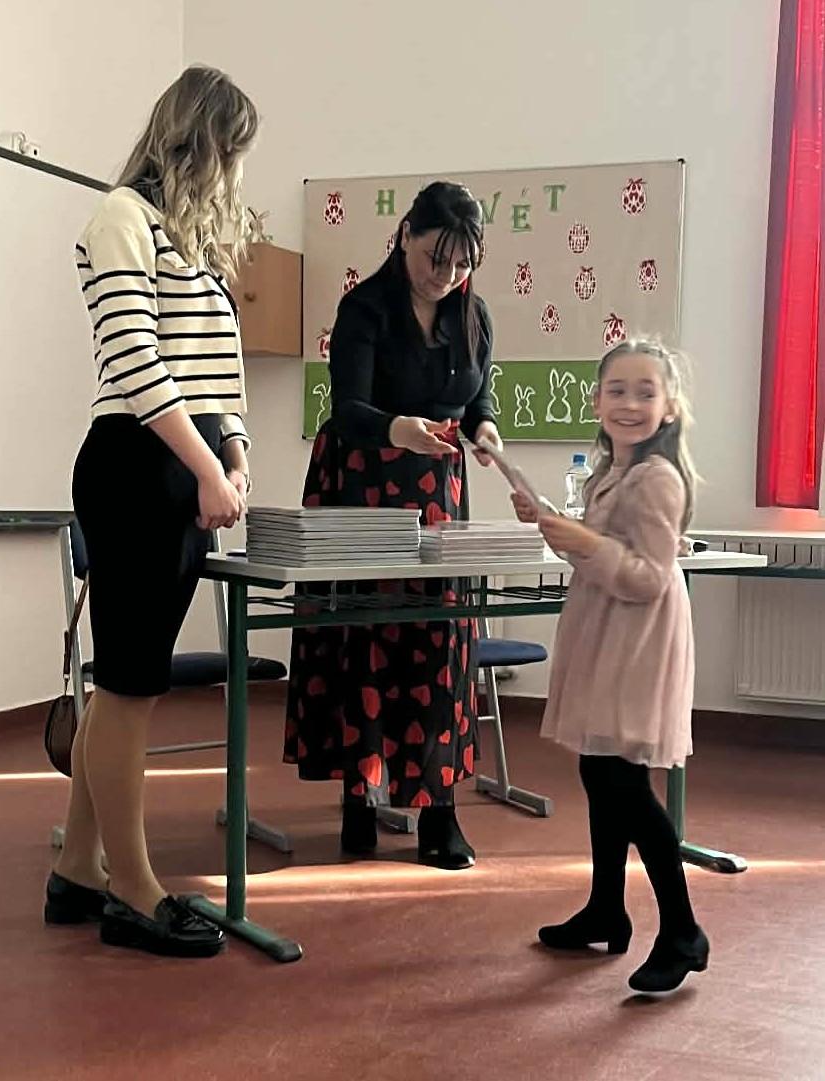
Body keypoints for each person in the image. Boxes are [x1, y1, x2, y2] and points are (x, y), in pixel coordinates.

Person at [44, 66, 259, 958]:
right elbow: (135, 360)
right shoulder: (121, 218)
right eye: (230, 150)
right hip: (135, 466)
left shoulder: (193, 244)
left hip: (182, 469)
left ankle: (78, 868)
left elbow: (220, 374)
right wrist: (206, 466)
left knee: (126, 683)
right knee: (132, 688)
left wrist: (234, 456)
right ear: (196, 140)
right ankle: (133, 889)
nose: (235, 171)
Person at [284, 181, 502, 869]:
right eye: (436, 257)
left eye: (462, 263)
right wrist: (398, 429)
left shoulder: (473, 313)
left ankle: (440, 809)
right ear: (405, 233)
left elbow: (478, 397)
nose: (447, 274)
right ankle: (360, 794)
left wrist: (485, 428)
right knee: (364, 640)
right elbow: (347, 408)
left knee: (443, 641)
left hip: (437, 491)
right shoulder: (365, 307)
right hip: (363, 485)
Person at [512, 338, 708, 993]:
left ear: (669, 406)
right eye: (616, 390)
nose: (628, 403)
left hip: (638, 639)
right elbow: (600, 551)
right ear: (595, 401)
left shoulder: (656, 477)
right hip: (609, 631)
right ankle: (605, 907)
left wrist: (583, 540)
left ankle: (682, 930)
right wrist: (554, 523)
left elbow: (648, 575)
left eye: (645, 392)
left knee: (623, 782)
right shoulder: (610, 473)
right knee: (599, 770)